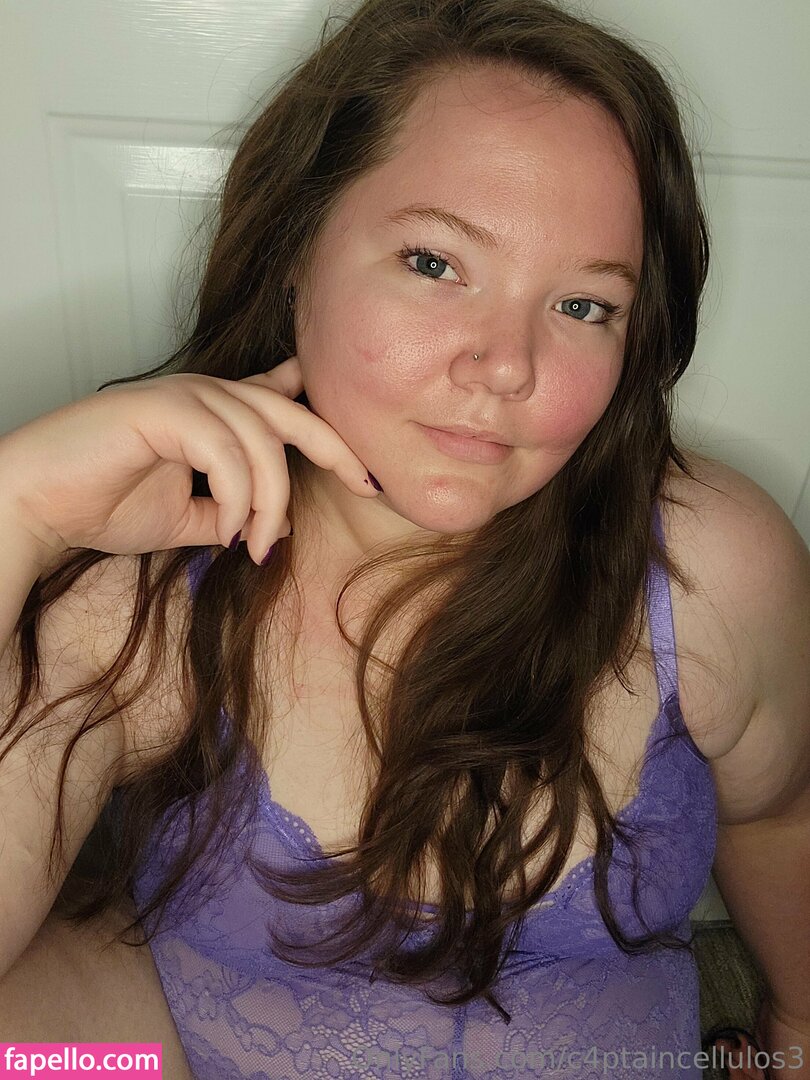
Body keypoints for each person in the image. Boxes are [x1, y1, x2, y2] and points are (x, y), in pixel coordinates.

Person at [0, 0, 808, 1076]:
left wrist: (797, 1031)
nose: (506, 364)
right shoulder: (136, 595)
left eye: (584, 306)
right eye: (434, 263)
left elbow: (779, 818)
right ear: (295, 252)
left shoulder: (707, 566)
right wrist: (16, 514)